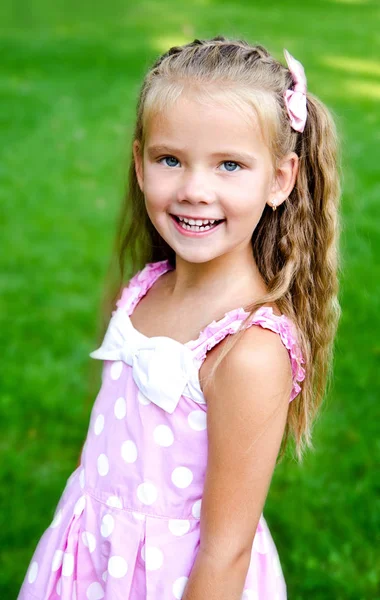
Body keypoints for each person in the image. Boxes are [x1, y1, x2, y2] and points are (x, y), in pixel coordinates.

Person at [18, 36, 341, 600]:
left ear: (280, 179)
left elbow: (226, 549)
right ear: (139, 164)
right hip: (93, 557)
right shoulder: (146, 288)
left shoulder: (249, 351)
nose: (194, 190)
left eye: (230, 166)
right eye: (171, 160)